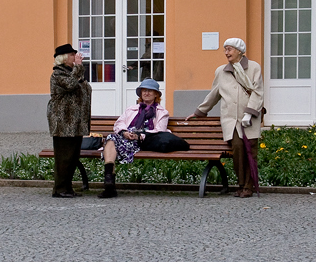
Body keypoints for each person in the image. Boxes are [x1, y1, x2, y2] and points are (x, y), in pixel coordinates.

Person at [186, 37, 263, 198]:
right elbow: (214, 94)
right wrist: (200, 111)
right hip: (231, 120)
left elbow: (257, 93)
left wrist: (249, 113)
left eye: (229, 49)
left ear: (240, 51)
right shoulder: (221, 71)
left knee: (251, 151)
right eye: (225, 49)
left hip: (250, 118)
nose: (226, 52)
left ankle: (249, 186)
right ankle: (241, 184)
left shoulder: (254, 67)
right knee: (238, 148)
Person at [98, 78, 169, 198]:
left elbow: (160, 130)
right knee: (112, 138)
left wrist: (139, 135)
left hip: (145, 140)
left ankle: (109, 183)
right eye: (144, 90)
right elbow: (119, 123)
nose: (146, 93)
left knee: (112, 141)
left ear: (156, 94)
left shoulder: (162, 112)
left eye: (150, 91)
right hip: (126, 137)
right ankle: (109, 181)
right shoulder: (132, 109)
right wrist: (125, 132)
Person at [47, 43, 92, 198]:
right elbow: (70, 85)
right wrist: (79, 68)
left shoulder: (71, 72)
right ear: (65, 58)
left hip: (75, 122)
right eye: (73, 55)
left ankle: (67, 187)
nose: (76, 57)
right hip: (63, 122)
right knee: (64, 157)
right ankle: (59, 189)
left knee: (72, 156)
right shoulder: (58, 74)